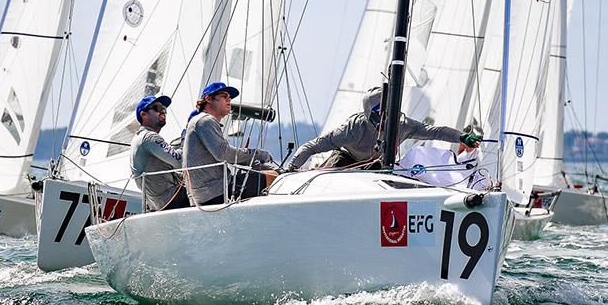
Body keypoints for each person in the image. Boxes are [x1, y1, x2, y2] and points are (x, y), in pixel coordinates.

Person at [287, 88, 482, 171]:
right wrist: (291, 168)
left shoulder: (403, 125)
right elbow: (315, 146)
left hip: (377, 168)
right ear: (368, 114)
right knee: (336, 165)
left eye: (387, 112)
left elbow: (435, 131)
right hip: (345, 161)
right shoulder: (353, 128)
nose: (383, 119)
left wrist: (462, 137)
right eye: (378, 113)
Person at [183, 82, 272, 206]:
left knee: (266, 174)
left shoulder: (202, 121)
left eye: (230, 97)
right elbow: (224, 153)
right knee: (273, 177)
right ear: (208, 99)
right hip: (215, 191)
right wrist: (258, 153)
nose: (229, 100)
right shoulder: (205, 120)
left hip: (210, 191)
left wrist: (254, 162)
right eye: (224, 96)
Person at [130, 94, 189, 212]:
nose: (163, 112)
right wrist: (186, 138)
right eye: (157, 108)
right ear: (143, 114)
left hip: (157, 204)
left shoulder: (140, 137)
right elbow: (180, 162)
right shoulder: (149, 137)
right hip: (170, 200)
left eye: (164, 109)